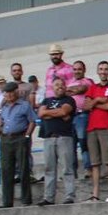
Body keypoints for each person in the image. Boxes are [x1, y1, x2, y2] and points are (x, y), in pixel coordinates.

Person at [0, 81, 35, 208]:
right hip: (6, 139)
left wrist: (27, 136)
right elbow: (1, 121)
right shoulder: (4, 107)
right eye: (7, 93)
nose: (9, 95)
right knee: (6, 170)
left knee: (23, 169)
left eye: (11, 92)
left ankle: (26, 199)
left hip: (20, 137)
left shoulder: (24, 105)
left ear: (16, 91)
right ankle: (7, 201)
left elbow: (32, 121)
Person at [84, 60, 108, 202]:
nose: (103, 71)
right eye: (101, 69)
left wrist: (95, 103)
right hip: (92, 128)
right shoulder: (92, 87)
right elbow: (86, 106)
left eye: (106, 69)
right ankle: (95, 194)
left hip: (107, 127)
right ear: (98, 71)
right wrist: (99, 100)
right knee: (95, 163)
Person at [36, 77, 77, 206]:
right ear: (52, 87)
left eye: (61, 85)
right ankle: (48, 197)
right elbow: (40, 114)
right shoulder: (46, 100)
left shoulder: (69, 100)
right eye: (56, 85)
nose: (59, 87)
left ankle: (69, 195)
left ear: (65, 86)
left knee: (67, 168)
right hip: (48, 138)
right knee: (49, 169)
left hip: (64, 137)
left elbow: (64, 110)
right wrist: (57, 114)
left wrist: (49, 113)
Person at [66, 60, 93, 175]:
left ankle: (88, 169)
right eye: (75, 69)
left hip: (83, 115)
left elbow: (82, 89)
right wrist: (73, 91)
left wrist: (72, 91)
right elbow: (64, 93)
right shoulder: (69, 82)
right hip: (71, 116)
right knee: (71, 146)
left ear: (84, 70)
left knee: (83, 143)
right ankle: (73, 171)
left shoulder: (88, 81)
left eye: (79, 69)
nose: (77, 71)